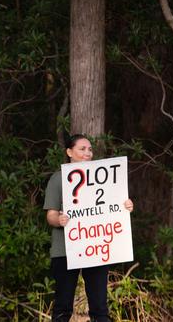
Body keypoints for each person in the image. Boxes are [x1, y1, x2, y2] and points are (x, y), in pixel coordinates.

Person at [44, 134, 134, 322]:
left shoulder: (105, 177)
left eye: (90, 149)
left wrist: (126, 207)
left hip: (95, 248)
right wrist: (58, 219)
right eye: (82, 149)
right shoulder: (58, 178)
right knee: (62, 306)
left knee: (100, 307)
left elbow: (113, 207)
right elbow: (50, 215)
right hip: (65, 250)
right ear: (69, 152)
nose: (87, 153)